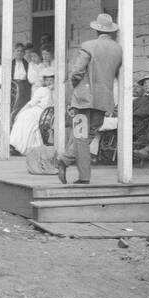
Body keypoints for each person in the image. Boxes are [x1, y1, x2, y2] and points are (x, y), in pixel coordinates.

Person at [56, 13, 122, 185]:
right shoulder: (118, 49)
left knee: (80, 136)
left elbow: (77, 71)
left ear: (96, 29)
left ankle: (68, 164)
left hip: (83, 99)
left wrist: (73, 87)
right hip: (103, 99)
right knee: (89, 134)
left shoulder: (88, 45)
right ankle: (71, 165)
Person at [10, 70, 53, 154]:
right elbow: (31, 103)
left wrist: (52, 91)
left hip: (46, 112)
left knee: (29, 120)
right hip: (36, 109)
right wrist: (20, 112)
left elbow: (52, 103)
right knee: (23, 116)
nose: (49, 82)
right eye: (47, 80)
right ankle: (17, 144)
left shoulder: (57, 91)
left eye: (51, 80)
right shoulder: (41, 90)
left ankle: (25, 146)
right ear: (44, 81)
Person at [9, 42, 31, 122]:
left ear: (24, 53)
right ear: (14, 52)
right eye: (17, 50)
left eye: (21, 51)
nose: (19, 53)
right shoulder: (10, 64)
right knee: (13, 106)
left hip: (24, 88)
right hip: (13, 87)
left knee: (22, 107)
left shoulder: (26, 64)